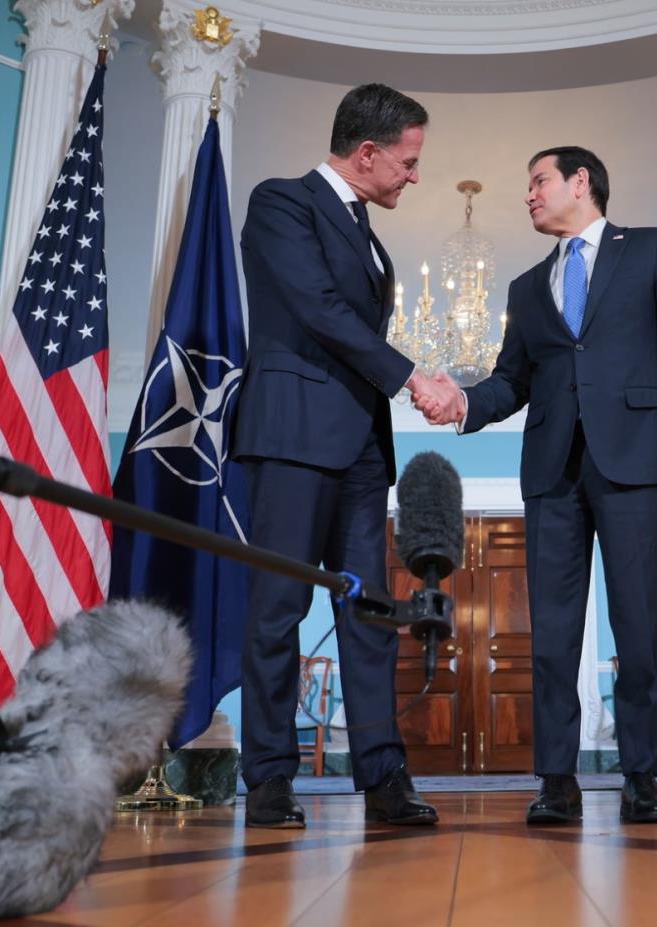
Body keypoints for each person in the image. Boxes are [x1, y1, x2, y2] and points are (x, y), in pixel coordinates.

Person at [414, 146, 657, 824]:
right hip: (552, 470)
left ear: (580, 181)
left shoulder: (650, 249)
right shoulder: (527, 286)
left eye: (539, 181)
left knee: (638, 624)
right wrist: (464, 401)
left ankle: (641, 778)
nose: (529, 195)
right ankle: (557, 780)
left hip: (635, 460)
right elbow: (512, 381)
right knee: (552, 632)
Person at [232, 84, 451, 828]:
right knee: (278, 608)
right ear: (366, 153)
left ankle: (384, 776)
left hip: (359, 447)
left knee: (369, 614)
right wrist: (412, 377)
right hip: (293, 435)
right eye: (408, 162)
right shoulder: (281, 202)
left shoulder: (367, 231)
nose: (414, 175)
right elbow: (319, 309)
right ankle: (269, 776)